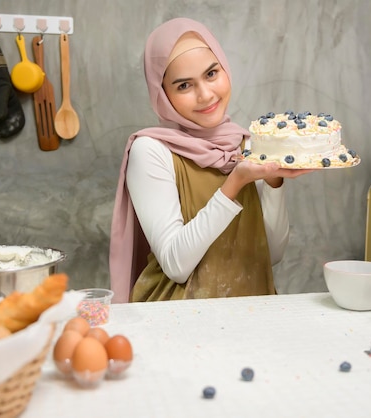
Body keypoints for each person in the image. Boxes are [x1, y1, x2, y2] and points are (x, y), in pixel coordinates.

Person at [109, 17, 313, 303]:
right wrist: (235, 182)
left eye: (211, 74)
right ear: (162, 94)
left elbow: (272, 255)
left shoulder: (248, 144)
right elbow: (175, 265)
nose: (205, 95)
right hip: (174, 320)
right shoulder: (151, 150)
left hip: (251, 312)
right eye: (183, 86)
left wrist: (274, 183)